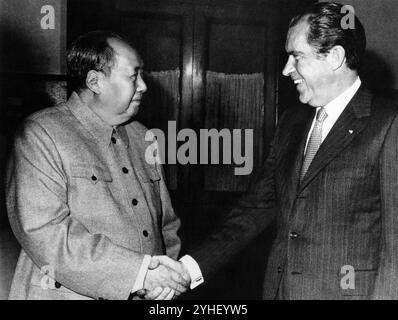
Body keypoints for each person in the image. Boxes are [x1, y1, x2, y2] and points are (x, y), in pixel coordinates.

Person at [149, 2, 398, 299]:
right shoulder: (292, 123)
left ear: (335, 57)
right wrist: (187, 270)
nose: (286, 69)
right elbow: (256, 208)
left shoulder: (388, 123)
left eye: (296, 56)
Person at [5, 30, 200, 300]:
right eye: (133, 76)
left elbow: (166, 226)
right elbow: (45, 233)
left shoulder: (144, 138)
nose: (143, 86)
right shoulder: (40, 134)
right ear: (95, 81)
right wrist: (139, 274)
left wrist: (167, 282)